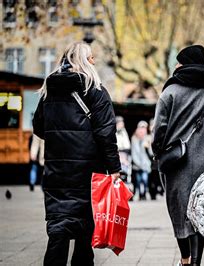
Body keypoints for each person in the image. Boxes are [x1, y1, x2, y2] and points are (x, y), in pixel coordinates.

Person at [33, 42, 121, 265]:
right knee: (84, 230)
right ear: (84, 61)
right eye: (91, 58)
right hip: (88, 172)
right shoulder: (95, 90)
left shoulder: (48, 90)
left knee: (58, 229)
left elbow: (38, 126)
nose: (94, 62)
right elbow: (106, 133)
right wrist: (115, 169)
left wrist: (60, 141)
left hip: (56, 171)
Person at [152, 44, 204, 266]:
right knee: (201, 213)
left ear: (185, 63)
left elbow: (159, 128)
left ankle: (186, 259)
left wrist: (157, 152)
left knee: (179, 214)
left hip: (176, 165)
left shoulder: (170, 92)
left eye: (178, 61)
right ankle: (195, 262)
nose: (176, 65)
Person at [132, 120, 152, 200]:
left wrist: (148, 147)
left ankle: (145, 193)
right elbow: (134, 152)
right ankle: (138, 193)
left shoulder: (148, 138)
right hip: (137, 164)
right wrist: (137, 162)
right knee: (138, 180)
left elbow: (150, 153)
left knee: (145, 179)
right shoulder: (134, 138)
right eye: (141, 127)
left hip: (145, 163)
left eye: (144, 128)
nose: (142, 130)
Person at [116, 116, 132, 183]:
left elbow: (127, 145)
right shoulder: (114, 131)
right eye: (120, 123)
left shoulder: (124, 132)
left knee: (125, 175)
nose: (122, 124)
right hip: (116, 155)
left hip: (125, 156)